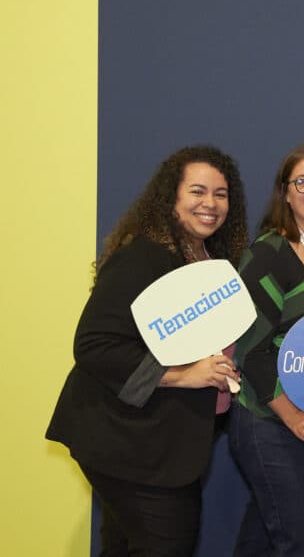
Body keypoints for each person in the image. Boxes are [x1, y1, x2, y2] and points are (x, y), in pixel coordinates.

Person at [46, 146, 247, 556]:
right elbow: (93, 345)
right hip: (126, 443)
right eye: (197, 191)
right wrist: (180, 374)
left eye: (221, 194)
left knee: (122, 546)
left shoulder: (209, 259)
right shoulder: (143, 256)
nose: (210, 203)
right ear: (170, 197)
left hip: (161, 446)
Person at [228, 143, 304, 556]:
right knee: (302, 545)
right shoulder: (268, 253)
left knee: (262, 539)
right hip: (270, 421)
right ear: (285, 192)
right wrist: (295, 419)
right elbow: (251, 350)